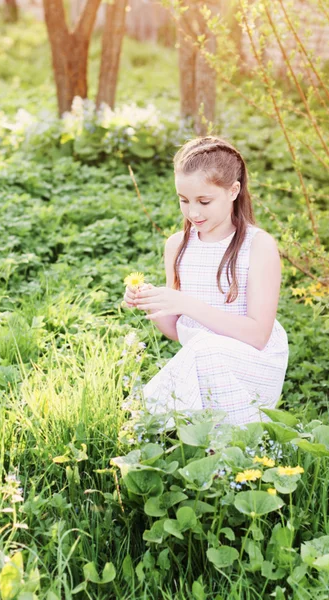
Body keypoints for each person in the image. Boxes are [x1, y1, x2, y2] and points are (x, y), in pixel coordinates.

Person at [123, 136, 289, 425]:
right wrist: (152, 304)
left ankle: (144, 419)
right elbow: (179, 332)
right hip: (205, 365)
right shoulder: (178, 245)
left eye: (204, 201)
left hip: (252, 369)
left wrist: (186, 302)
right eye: (184, 200)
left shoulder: (258, 246)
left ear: (233, 190)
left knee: (207, 347)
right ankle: (163, 429)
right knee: (203, 347)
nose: (193, 212)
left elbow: (257, 336)